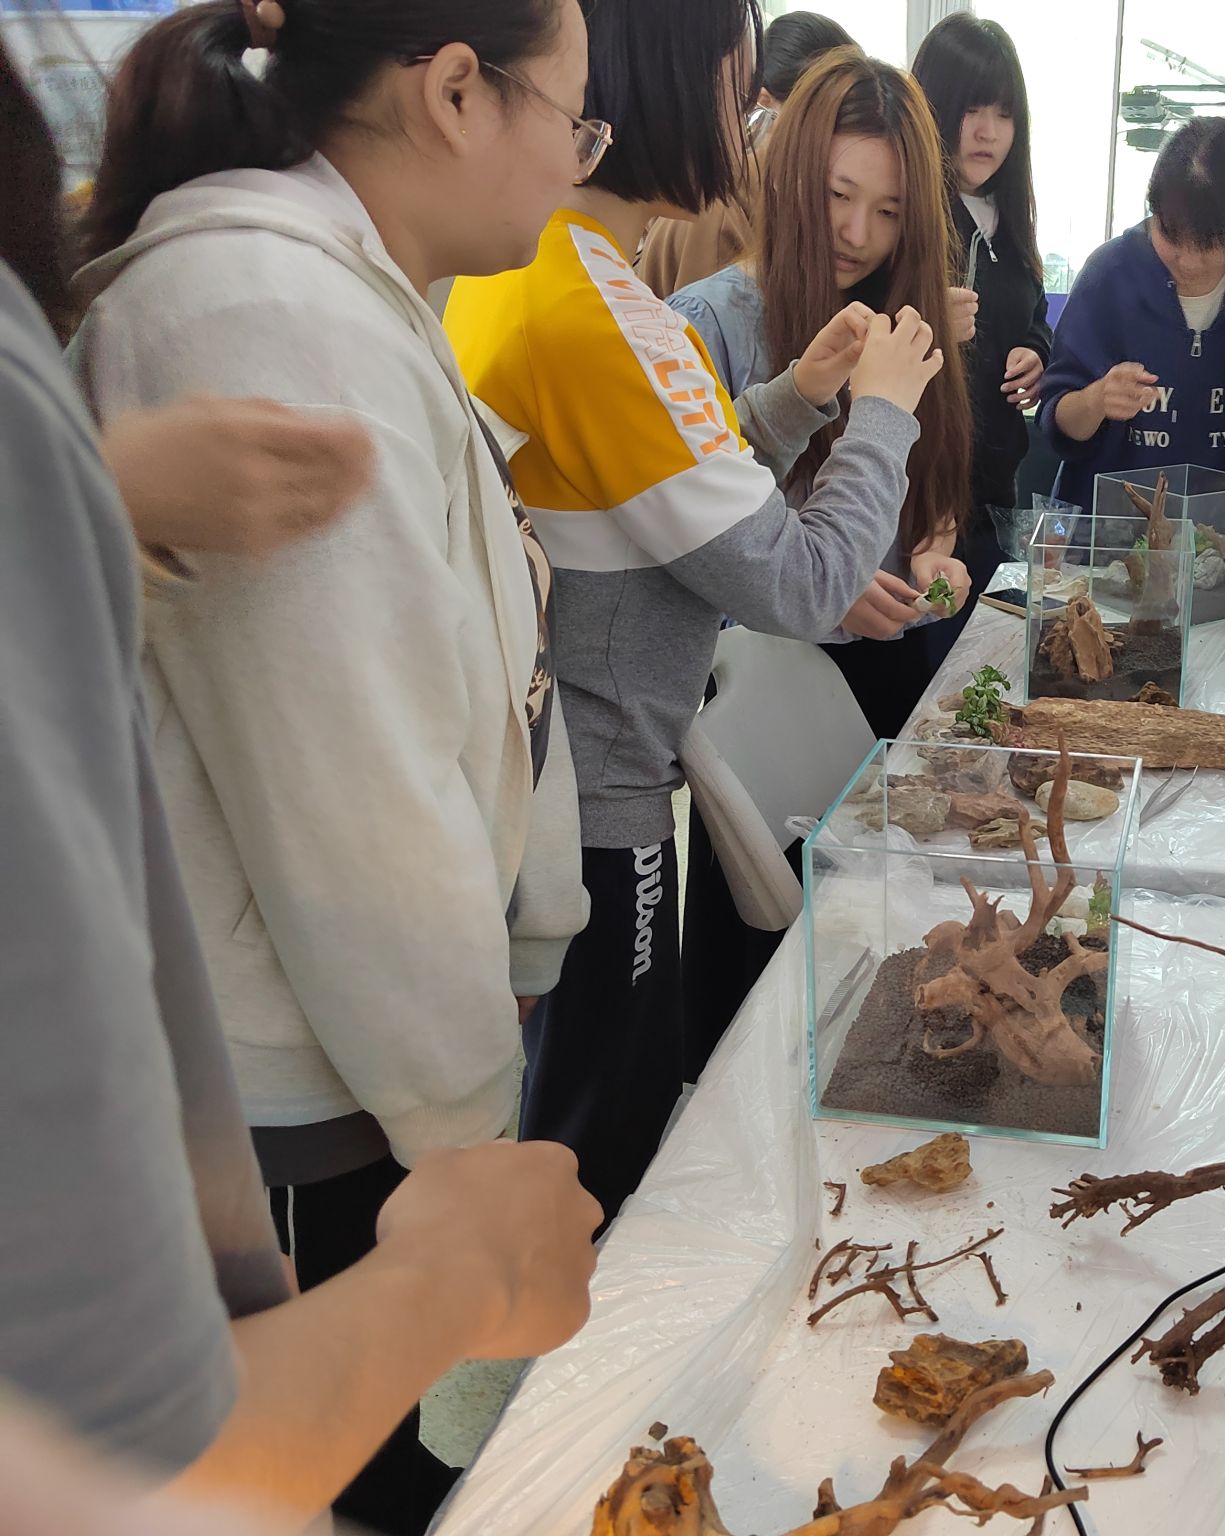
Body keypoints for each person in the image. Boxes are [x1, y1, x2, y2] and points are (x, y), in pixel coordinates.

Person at [0, 25, 600, 1536]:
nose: (577, 162)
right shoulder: (270, 308)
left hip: (344, 1058)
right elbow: (357, 800)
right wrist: (466, 1120)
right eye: (575, 119)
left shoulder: (347, 295)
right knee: (333, 1471)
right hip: (308, 1076)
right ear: (455, 92)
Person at [444, 0, 946, 1224]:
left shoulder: (559, 279)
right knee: (600, 1148)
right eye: (738, 88)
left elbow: (655, 492)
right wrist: (882, 412)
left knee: (583, 1107)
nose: (750, 122)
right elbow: (800, 583)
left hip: (563, 777)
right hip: (604, 797)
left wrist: (795, 398)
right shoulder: (593, 315)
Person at [670, 47, 973, 739]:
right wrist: (827, 589)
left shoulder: (902, 311)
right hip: (766, 695)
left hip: (898, 664)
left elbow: (932, 471)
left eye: (889, 211)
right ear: (789, 172)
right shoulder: (707, 323)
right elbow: (694, 557)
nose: (857, 234)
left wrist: (932, 546)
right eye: (838, 195)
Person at [1037, 116, 1225, 514]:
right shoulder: (1108, 276)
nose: (1189, 261)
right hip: (1098, 534)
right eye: (1171, 238)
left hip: (1210, 538)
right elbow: (1056, 422)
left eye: (1210, 244)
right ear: (1153, 208)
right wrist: (1095, 400)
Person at [910, 12, 1052, 661]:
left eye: (1004, 113)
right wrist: (923, 316)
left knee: (984, 674)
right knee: (928, 680)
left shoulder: (1009, 220)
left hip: (995, 502)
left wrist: (1037, 352)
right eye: (971, 108)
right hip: (922, 515)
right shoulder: (909, 218)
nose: (988, 131)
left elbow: (1032, 313)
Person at [636, 9, 853, 299]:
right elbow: (712, 326)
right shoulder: (719, 210)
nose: (844, 137)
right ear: (765, 103)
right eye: (825, 117)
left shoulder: (788, 195)